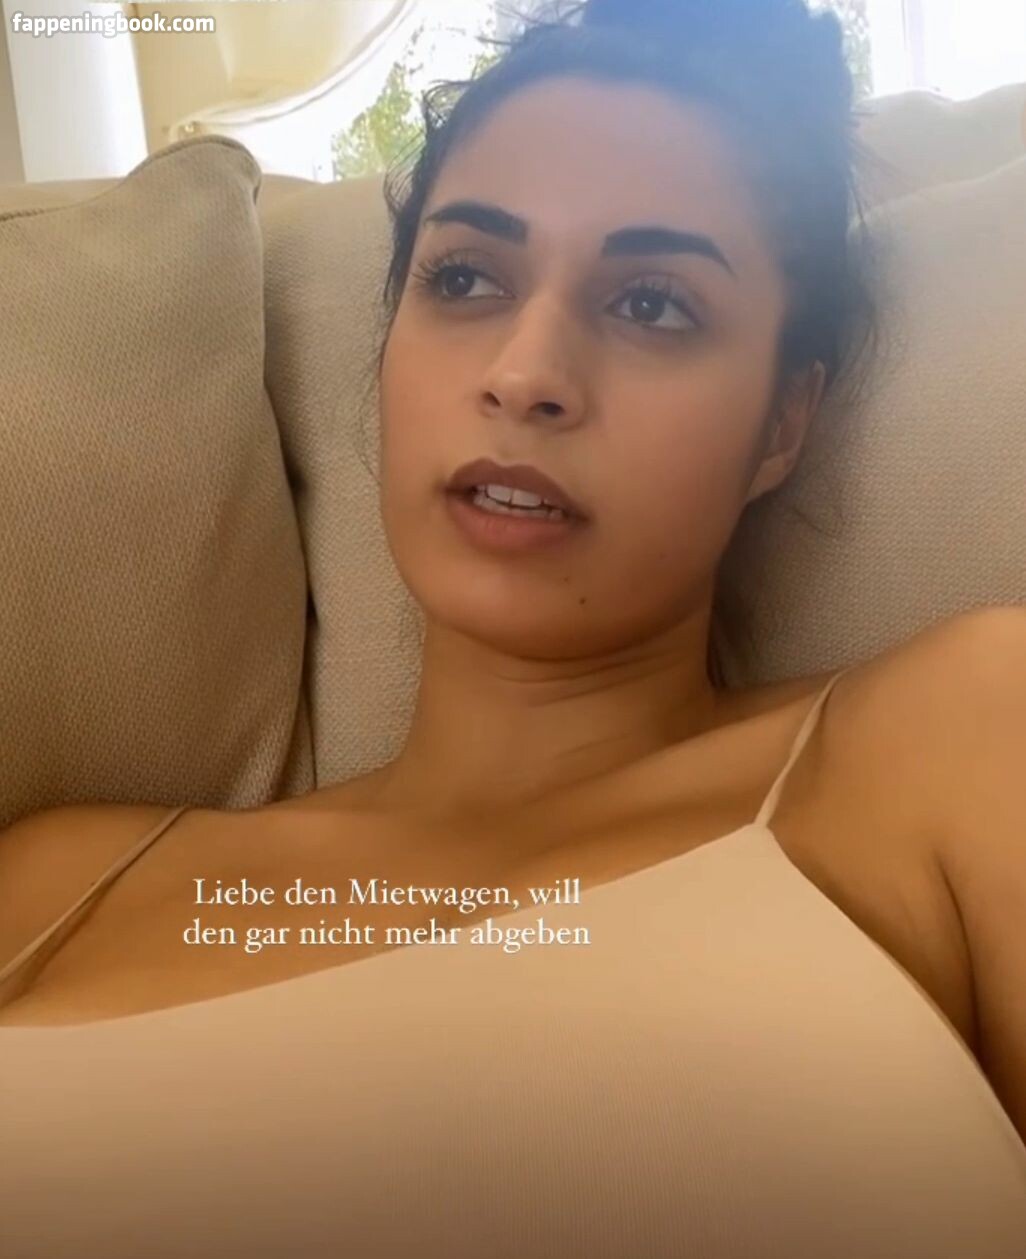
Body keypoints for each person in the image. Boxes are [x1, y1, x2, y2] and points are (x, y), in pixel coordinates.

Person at [2, 1, 1025, 1255]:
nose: (526, 371)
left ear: (781, 426)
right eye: (467, 278)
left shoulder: (953, 739)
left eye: (653, 303)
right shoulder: (62, 881)